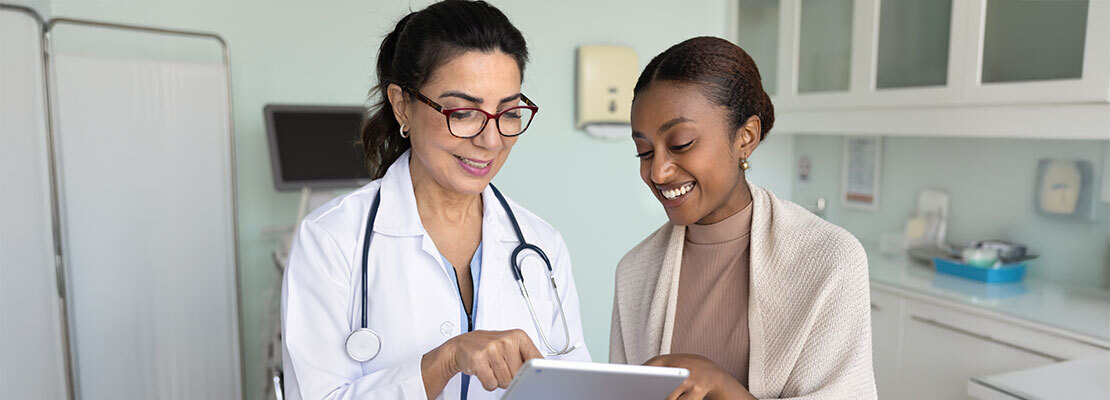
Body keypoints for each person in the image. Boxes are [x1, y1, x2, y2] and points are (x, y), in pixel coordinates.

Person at [282, 2, 590, 399]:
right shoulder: (332, 240)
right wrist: (446, 360)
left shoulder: (540, 245)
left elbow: (573, 387)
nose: (491, 140)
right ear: (401, 105)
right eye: (463, 112)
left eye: (509, 112)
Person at [610, 36, 876, 400]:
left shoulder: (829, 260)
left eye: (681, 143)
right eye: (643, 151)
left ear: (745, 138)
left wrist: (721, 386)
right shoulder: (635, 273)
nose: (657, 171)